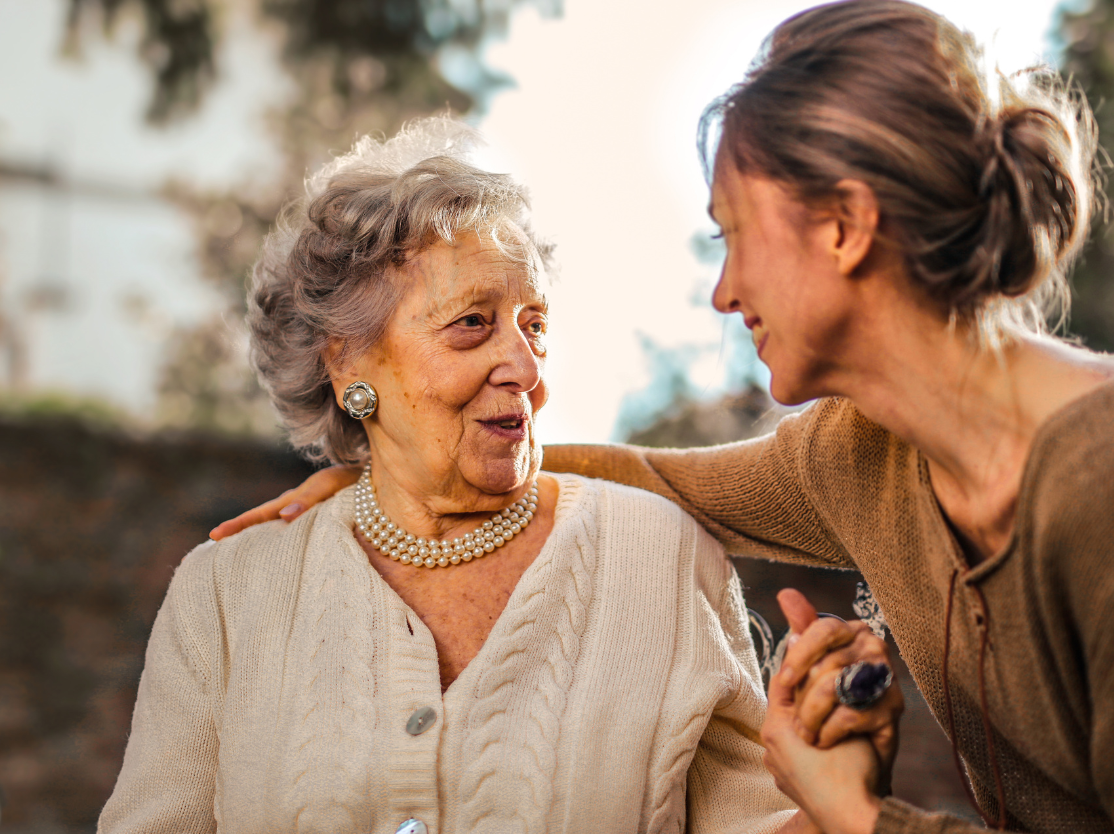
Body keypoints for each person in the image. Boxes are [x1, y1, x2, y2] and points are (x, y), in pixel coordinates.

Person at [209, 0, 1114, 833]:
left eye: (733, 234)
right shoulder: (864, 452)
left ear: (844, 227)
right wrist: (396, 469)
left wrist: (856, 813)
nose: (723, 292)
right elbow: (653, 479)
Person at [98, 117, 836, 834]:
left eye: (534, 325)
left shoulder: (663, 560)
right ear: (348, 361)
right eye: (472, 324)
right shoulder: (225, 596)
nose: (525, 368)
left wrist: (839, 789)